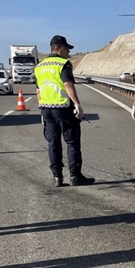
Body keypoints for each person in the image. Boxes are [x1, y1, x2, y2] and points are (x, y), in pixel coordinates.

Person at [34, 35, 94, 187]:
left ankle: (57, 178)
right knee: (72, 141)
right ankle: (75, 176)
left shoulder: (39, 66)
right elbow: (67, 84)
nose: (68, 51)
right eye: (66, 48)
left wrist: (41, 108)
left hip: (46, 109)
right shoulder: (63, 64)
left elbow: (38, 90)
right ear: (57, 48)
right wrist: (77, 104)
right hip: (63, 108)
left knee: (53, 142)